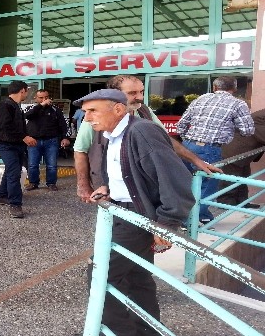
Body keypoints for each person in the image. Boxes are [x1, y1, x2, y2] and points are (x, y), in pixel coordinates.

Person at [76, 89, 194, 336]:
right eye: (86, 112)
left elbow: (177, 178)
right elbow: (129, 172)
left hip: (137, 217)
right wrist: (109, 189)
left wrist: (168, 222)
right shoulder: (112, 133)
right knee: (137, 278)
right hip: (124, 211)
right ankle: (148, 331)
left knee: (101, 275)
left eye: (93, 111)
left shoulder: (142, 131)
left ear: (118, 109)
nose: (86, 118)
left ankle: (118, 332)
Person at [74, 75, 220, 203]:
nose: (140, 97)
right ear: (115, 94)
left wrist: (196, 161)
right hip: (109, 189)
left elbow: (166, 140)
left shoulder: (144, 111)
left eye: (141, 92)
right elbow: (80, 150)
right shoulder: (96, 117)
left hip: (140, 189)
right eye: (132, 93)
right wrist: (84, 186)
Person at [177, 76, 255, 224]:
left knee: (186, 184)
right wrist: (229, 127)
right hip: (210, 149)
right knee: (207, 186)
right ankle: (192, 221)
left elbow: (181, 125)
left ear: (214, 88)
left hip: (186, 147)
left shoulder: (200, 99)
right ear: (235, 88)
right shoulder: (238, 103)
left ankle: (192, 217)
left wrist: (189, 141)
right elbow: (248, 130)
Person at [0, 80, 37, 218]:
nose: (27, 93)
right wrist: (24, 136)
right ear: (22, 90)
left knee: (12, 170)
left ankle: (2, 195)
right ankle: (15, 205)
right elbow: (5, 125)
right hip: (6, 145)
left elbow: (16, 126)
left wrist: (25, 137)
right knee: (14, 173)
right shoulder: (6, 105)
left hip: (15, 144)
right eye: (26, 90)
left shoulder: (14, 105)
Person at [23, 89, 70, 191]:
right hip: (34, 141)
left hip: (51, 141)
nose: (44, 99)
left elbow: (63, 124)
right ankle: (33, 183)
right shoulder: (31, 108)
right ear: (36, 98)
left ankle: (51, 183)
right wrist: (41, 105)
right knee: (32, 164)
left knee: (52, 165)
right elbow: (27, 116)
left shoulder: (55, 109)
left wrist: (65, 137)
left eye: (46, 97)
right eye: (41, 97)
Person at [218, 109, 265, 208]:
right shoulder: (257, 120)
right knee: (230, 178)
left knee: (243, 178)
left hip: (243, 153)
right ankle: (226, 203)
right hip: (234, 152)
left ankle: (242, 203)